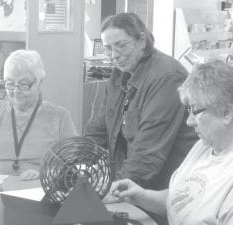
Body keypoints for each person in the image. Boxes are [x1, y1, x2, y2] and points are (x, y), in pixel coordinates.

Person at [110, 60, 233, 225]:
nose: (189, 122)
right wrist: (143, 196)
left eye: (195, 110)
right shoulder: (204, 146)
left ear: (226, 112)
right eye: (188, 111)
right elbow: (185, 203)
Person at [84, 12, 197, 191]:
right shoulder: (119, 74)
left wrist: (113, 190)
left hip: (164, 189)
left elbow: (148, 155)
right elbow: (98, 130)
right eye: (108, 48)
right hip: (133, 181)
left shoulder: (166, 77)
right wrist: (74, 168)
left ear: (142, 41)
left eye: (121, 45)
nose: (114, 55)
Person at [0, 50, 78, 180]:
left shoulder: (59, 118)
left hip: (39, 188)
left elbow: (74, 165)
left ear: (39, 83)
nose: (16, 91)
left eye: (24, 84)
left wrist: (46, 174)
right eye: (10, 84)